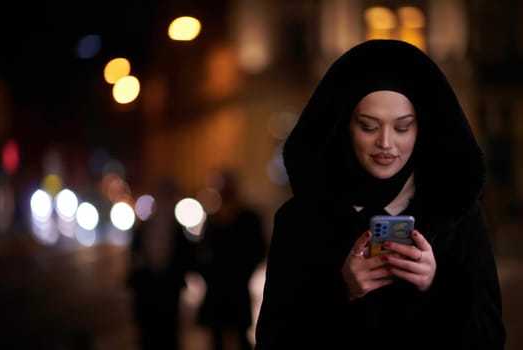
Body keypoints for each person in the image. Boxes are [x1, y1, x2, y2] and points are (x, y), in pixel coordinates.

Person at [254, 39, 505, 350]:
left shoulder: (459, 215)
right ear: (346, 127)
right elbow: (273, 341)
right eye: (369, 126)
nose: (386, 143)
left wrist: (438, 285)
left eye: (402, 127)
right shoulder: (300, 221)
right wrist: (342, 291)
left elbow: (490, 339)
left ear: (420, 130)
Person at [195, 170, 266, 350]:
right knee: (217, 336)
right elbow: (202, 252)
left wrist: (242, 273)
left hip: (237, 286)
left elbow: (257, 249)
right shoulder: (214, 220)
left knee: (240, 334)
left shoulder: (248, 218)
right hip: (218, 288)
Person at [127, 179, 196, 350]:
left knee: (168, 334)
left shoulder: (177, 229)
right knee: (147, 335)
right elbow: (135, 255)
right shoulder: (145, 226)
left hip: (168, 290)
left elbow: (185, 258)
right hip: (147, 290)